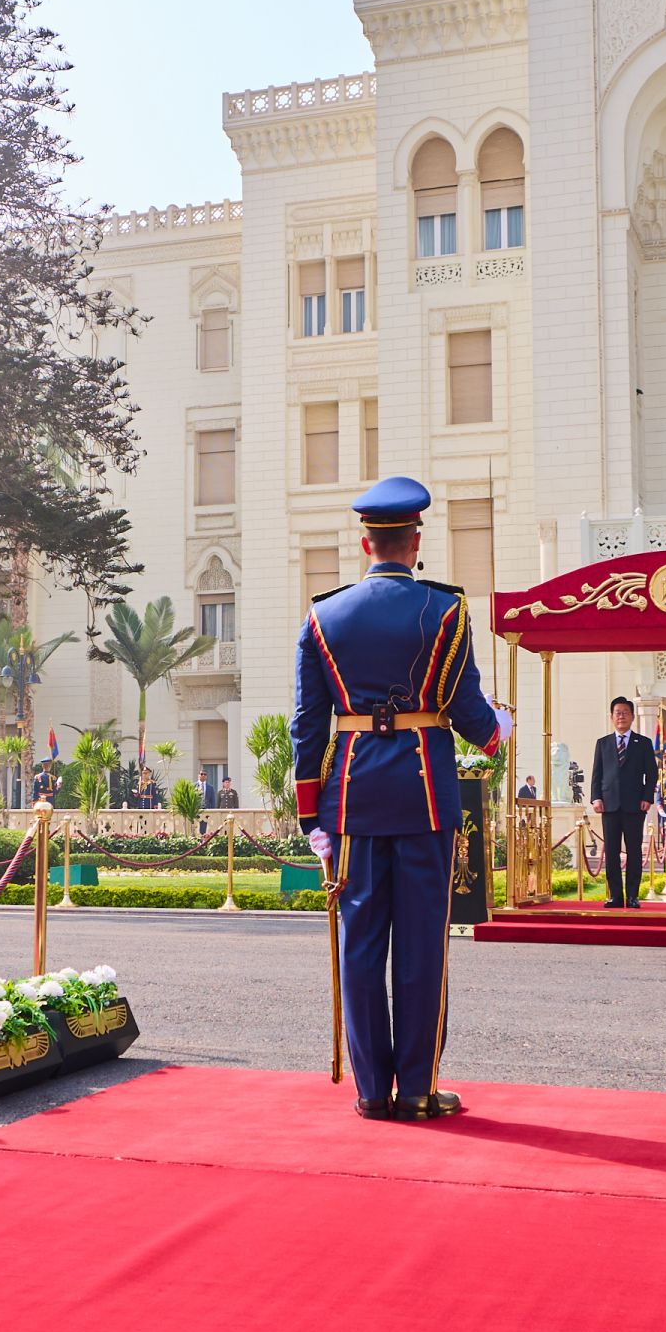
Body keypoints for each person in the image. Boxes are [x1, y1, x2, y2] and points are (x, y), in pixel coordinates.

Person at [293, 477, 509, 1122]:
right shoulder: (446, 610)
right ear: (415, 541)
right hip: (425, 796)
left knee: (361, 944)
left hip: (352, 798)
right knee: (421, 943)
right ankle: (417, 1088)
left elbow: (308, 725)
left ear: (365, 543)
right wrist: (497, 733)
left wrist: (312, 814)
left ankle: (369, 1091)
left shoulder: (323, 615)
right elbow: (468, 709)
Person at [589, 697, 658, 909]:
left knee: (634, 851)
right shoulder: (603, 743)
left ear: (632, 716)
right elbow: (597, 774)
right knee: (611, 852)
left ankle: (633, 896)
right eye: (617, 712)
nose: (621, 716)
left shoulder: (643, 743)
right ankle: (616, 896)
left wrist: (647, 798)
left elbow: (652, 774)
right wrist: (595, 797)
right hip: (609, 806)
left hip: (634, 806)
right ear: (611, 717)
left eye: (625, 712)